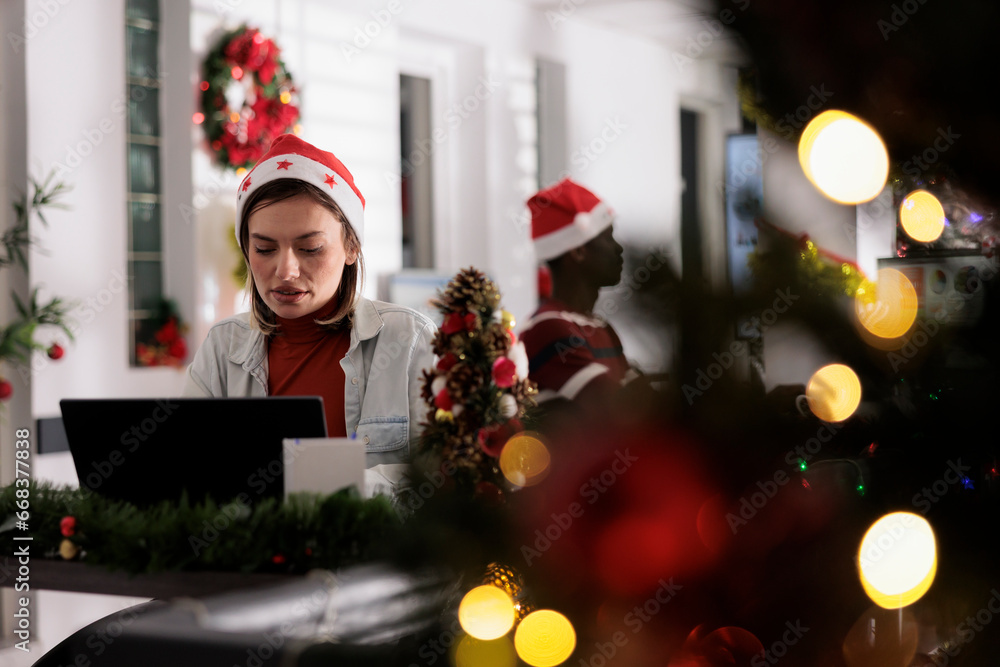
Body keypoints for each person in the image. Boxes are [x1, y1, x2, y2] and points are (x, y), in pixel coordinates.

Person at [184, 134, 435, 469]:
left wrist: (337, 494)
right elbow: (185, 469)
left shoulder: (410, 339)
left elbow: (443, 487)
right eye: (264, 249)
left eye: (310, 248)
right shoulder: (221, 347)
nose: (286, 271)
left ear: (351, 247)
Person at [519, 178, 639, 408]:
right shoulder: (547, 327)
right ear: (578, 251)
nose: (618, 248)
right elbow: (619, 411)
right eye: (608, 237)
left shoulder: (599, 326)